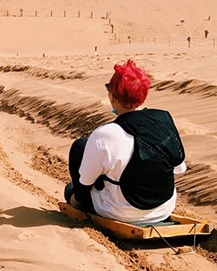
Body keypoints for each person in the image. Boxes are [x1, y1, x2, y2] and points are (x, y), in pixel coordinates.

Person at [64, 60, 186, 225]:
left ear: (112, 97)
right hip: (163, 208)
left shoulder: (105, 134)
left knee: (79, 150)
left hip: (121, 212)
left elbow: (85, 181)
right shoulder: (164, 120)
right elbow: (179, 168)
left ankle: (79, 204)